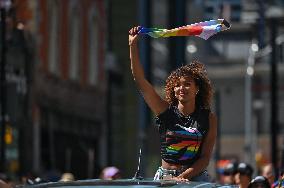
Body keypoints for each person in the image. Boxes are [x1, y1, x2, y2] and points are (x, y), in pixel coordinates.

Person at [129, 26, 217, 182]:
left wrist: (182, 177)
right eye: (177, 85)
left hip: (194, 179)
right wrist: (133, 46)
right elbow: (140, 82)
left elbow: (204, 158)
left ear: (197, 88)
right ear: (173, 89)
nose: (181, 88)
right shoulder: (165, 112)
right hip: (165, 178)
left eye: (187, 84)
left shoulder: (208, 118)